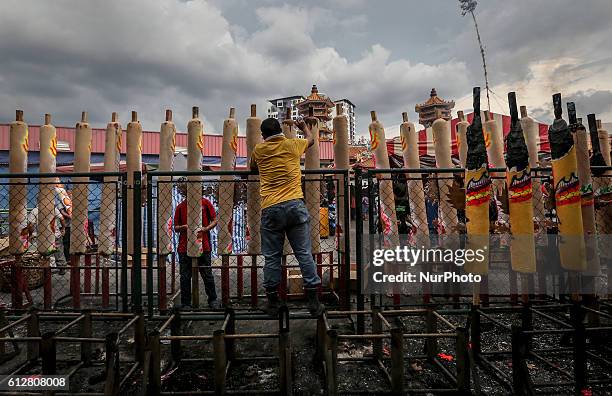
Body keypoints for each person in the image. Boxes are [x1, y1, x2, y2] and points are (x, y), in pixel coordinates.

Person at [250, 117, 324, 317]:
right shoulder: (293, 145)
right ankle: (313, 302)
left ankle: (273, 301)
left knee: (272, 257)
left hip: (271, 208)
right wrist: (304, 128)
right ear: (281, 132)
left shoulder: (259, 150)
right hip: (294, 205)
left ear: (264, 135)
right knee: (303, 254)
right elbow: (311, 140)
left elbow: (253, 169)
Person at [173, 181, 220, 309]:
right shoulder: (181, 206)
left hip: (203, 244)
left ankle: (213, 300)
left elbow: (215, 219)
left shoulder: (205, 203)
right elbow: (175, 227)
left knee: (207, 274)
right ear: (185, 191)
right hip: (184, 246)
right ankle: (186, 303)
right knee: (185, 276)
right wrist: (183, 227)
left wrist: (206, 228)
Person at [26, 206, 67, 272]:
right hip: (55, 235)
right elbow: (62, 219)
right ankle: (62, 268)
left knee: (45, 252)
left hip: (42, 236)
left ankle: (47, 268)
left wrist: (31, 234)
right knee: (59, 252)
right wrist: (63, 228)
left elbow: (31, 225)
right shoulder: (53, 209)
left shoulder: (35, 210)